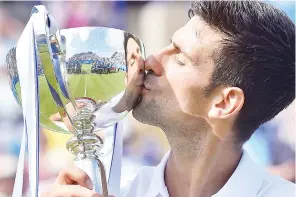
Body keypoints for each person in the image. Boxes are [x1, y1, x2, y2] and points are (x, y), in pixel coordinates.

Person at [42, 1, 295, 197]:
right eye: (167, 45)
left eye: (179, 57)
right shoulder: (121, 190)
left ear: (224, 103)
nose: (150, 61)